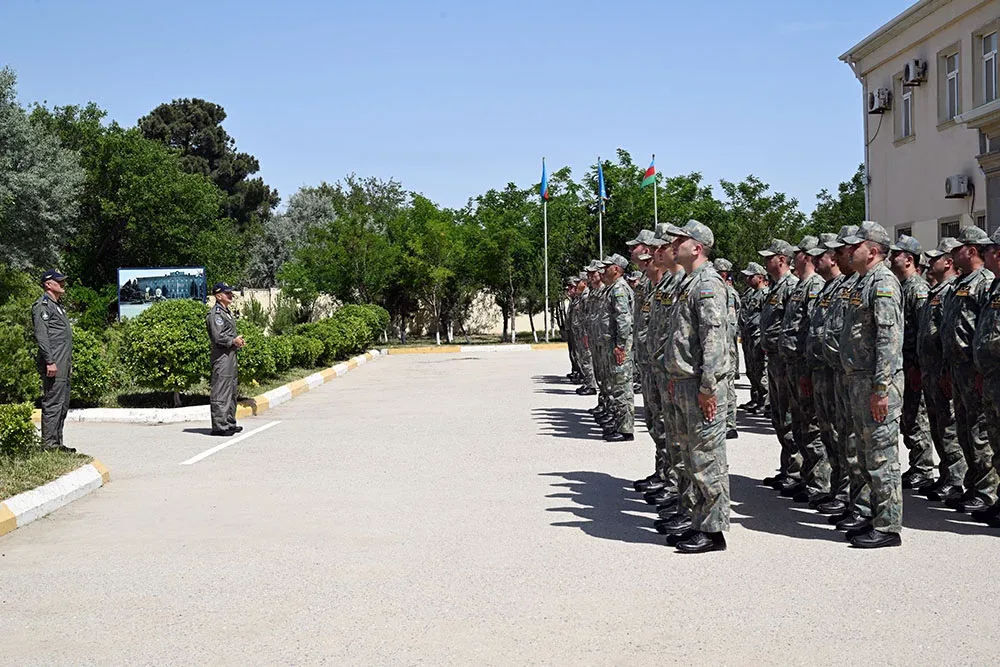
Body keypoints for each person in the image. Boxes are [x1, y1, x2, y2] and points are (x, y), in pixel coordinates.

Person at [661, 220, 731, 553]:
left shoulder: (707, 285)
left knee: (706, 459)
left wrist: (708, 386)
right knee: (689, 458)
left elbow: (714, 339)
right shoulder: (689, 282)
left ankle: (713, 532)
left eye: (681, 240)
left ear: (697, 247)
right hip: (683, 382)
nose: (675, 245)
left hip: (700, 386)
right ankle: (697, 521)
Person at [839, 221, 904, 548]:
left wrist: (881, 389)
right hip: (860, 381)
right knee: (865, 454)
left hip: (878, 385)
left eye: (856, 246)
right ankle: (869, 514)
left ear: (873, 250)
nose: (850, 251)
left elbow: (888, 341)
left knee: (881, 456)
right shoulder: (863, 282)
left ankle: (889, 526)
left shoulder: (883, 284)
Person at [941, 226, 998, 513]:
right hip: (961, 368)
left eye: (957, 249)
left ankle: (988, 491)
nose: (952, 254)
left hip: (977, 370)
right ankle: (975, 485)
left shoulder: (985, 282)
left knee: (980, 432)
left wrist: (978, 367)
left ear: (971, 251)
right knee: (964, 429)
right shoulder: (965, 283)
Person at [918, 238, 966, 504]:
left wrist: (946, 367)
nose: (928, 263)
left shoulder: (949, 291)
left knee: (950, 426)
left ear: (948, 262)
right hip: (931, 369)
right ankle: (948, 475)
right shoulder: (938, 291)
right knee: (938, 425)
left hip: (945, 369)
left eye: (935, 259)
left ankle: (957, 479)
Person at [778, 236, 827, 503]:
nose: (794, 256)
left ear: (805, 256)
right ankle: (808, 477)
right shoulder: (802, 286)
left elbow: (813, 331)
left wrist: (808, 369)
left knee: (811, 426)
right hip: (794, 366)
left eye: (798, 253)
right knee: (798, 424)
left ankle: (819, 482)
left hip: (806, 366)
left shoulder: (815, 286)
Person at [806, 233, 847, 513]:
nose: (816, 259)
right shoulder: (827, 289)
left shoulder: (845, 287)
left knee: (842, 433)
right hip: (821, 370)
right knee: (828, 432)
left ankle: (845, 492)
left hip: (838, 372)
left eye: (822, 255)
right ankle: (835, 487)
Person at [889, 235, 934, 490]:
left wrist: (917, 366)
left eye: (897, 254)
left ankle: (923, 467)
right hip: (904, 364)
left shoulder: (917, 288)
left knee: (917, 417)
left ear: (909, 259)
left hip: (912, 364)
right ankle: (917, 465)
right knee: (908, 417)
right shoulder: (902, 286)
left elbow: (921, 331)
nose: (892, 257)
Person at [758, 239, 800, 491]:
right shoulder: (776, 288)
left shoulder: (791, 287)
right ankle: (787, 467)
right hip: (773, 360)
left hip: (786, 361)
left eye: (769, 257)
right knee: (779, 417)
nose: (765, 262)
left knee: (789, 416)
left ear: (782, 259)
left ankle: (796, 471)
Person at [973, 228, 1000, 526]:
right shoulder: (993, 287)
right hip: (991, 376)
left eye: (989, 250)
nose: (985, 255)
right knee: (995, 442)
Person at [32, 269, 74, 452]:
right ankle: (49, 445)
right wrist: (50, 361)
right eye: (59, 281)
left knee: (62, 403)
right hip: (54, 363)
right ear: (48, 284)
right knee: (53, 403)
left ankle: (57, 443)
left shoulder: (58, 306)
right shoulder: (43, 306)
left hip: (63, 362)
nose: (62, 284)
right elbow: (42, 336)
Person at [600, 254, 635, 442]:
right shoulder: (613, 289)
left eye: (607, 267)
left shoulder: (619, 290)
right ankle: (619, 422)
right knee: (617, 386)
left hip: (620, 348)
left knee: (622, 388)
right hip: (614, 345)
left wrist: (621, 345)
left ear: (616, 269)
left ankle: (625, 429)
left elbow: (624, 319)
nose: (603, 271)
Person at [207, 282, 245, 436]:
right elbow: (218, 336)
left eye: (231, 293)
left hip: (230, 355)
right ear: (218, 296)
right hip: (222, 356)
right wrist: (232, 341)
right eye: (227, 293)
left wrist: (237, 341)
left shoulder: (226, 311)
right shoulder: (216, 314)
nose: (231, 295)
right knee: (221, 390)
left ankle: (229, 422)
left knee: (231, 389)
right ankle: (219, 426)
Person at [713, 258, 740, 440]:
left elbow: (730, 322)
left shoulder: (728, 292)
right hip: (722, 343)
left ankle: (730, 423)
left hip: (726, 344)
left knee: (728, 383)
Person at [738, 262, 768, 413]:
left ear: (760, 277)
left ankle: (765, 401)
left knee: (761, 370)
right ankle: (755, 397)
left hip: (758, 337)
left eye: (750, 276)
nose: (747, 279)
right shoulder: (751, 294)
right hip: (749, 336)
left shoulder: (765, 294)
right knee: (752, 370)